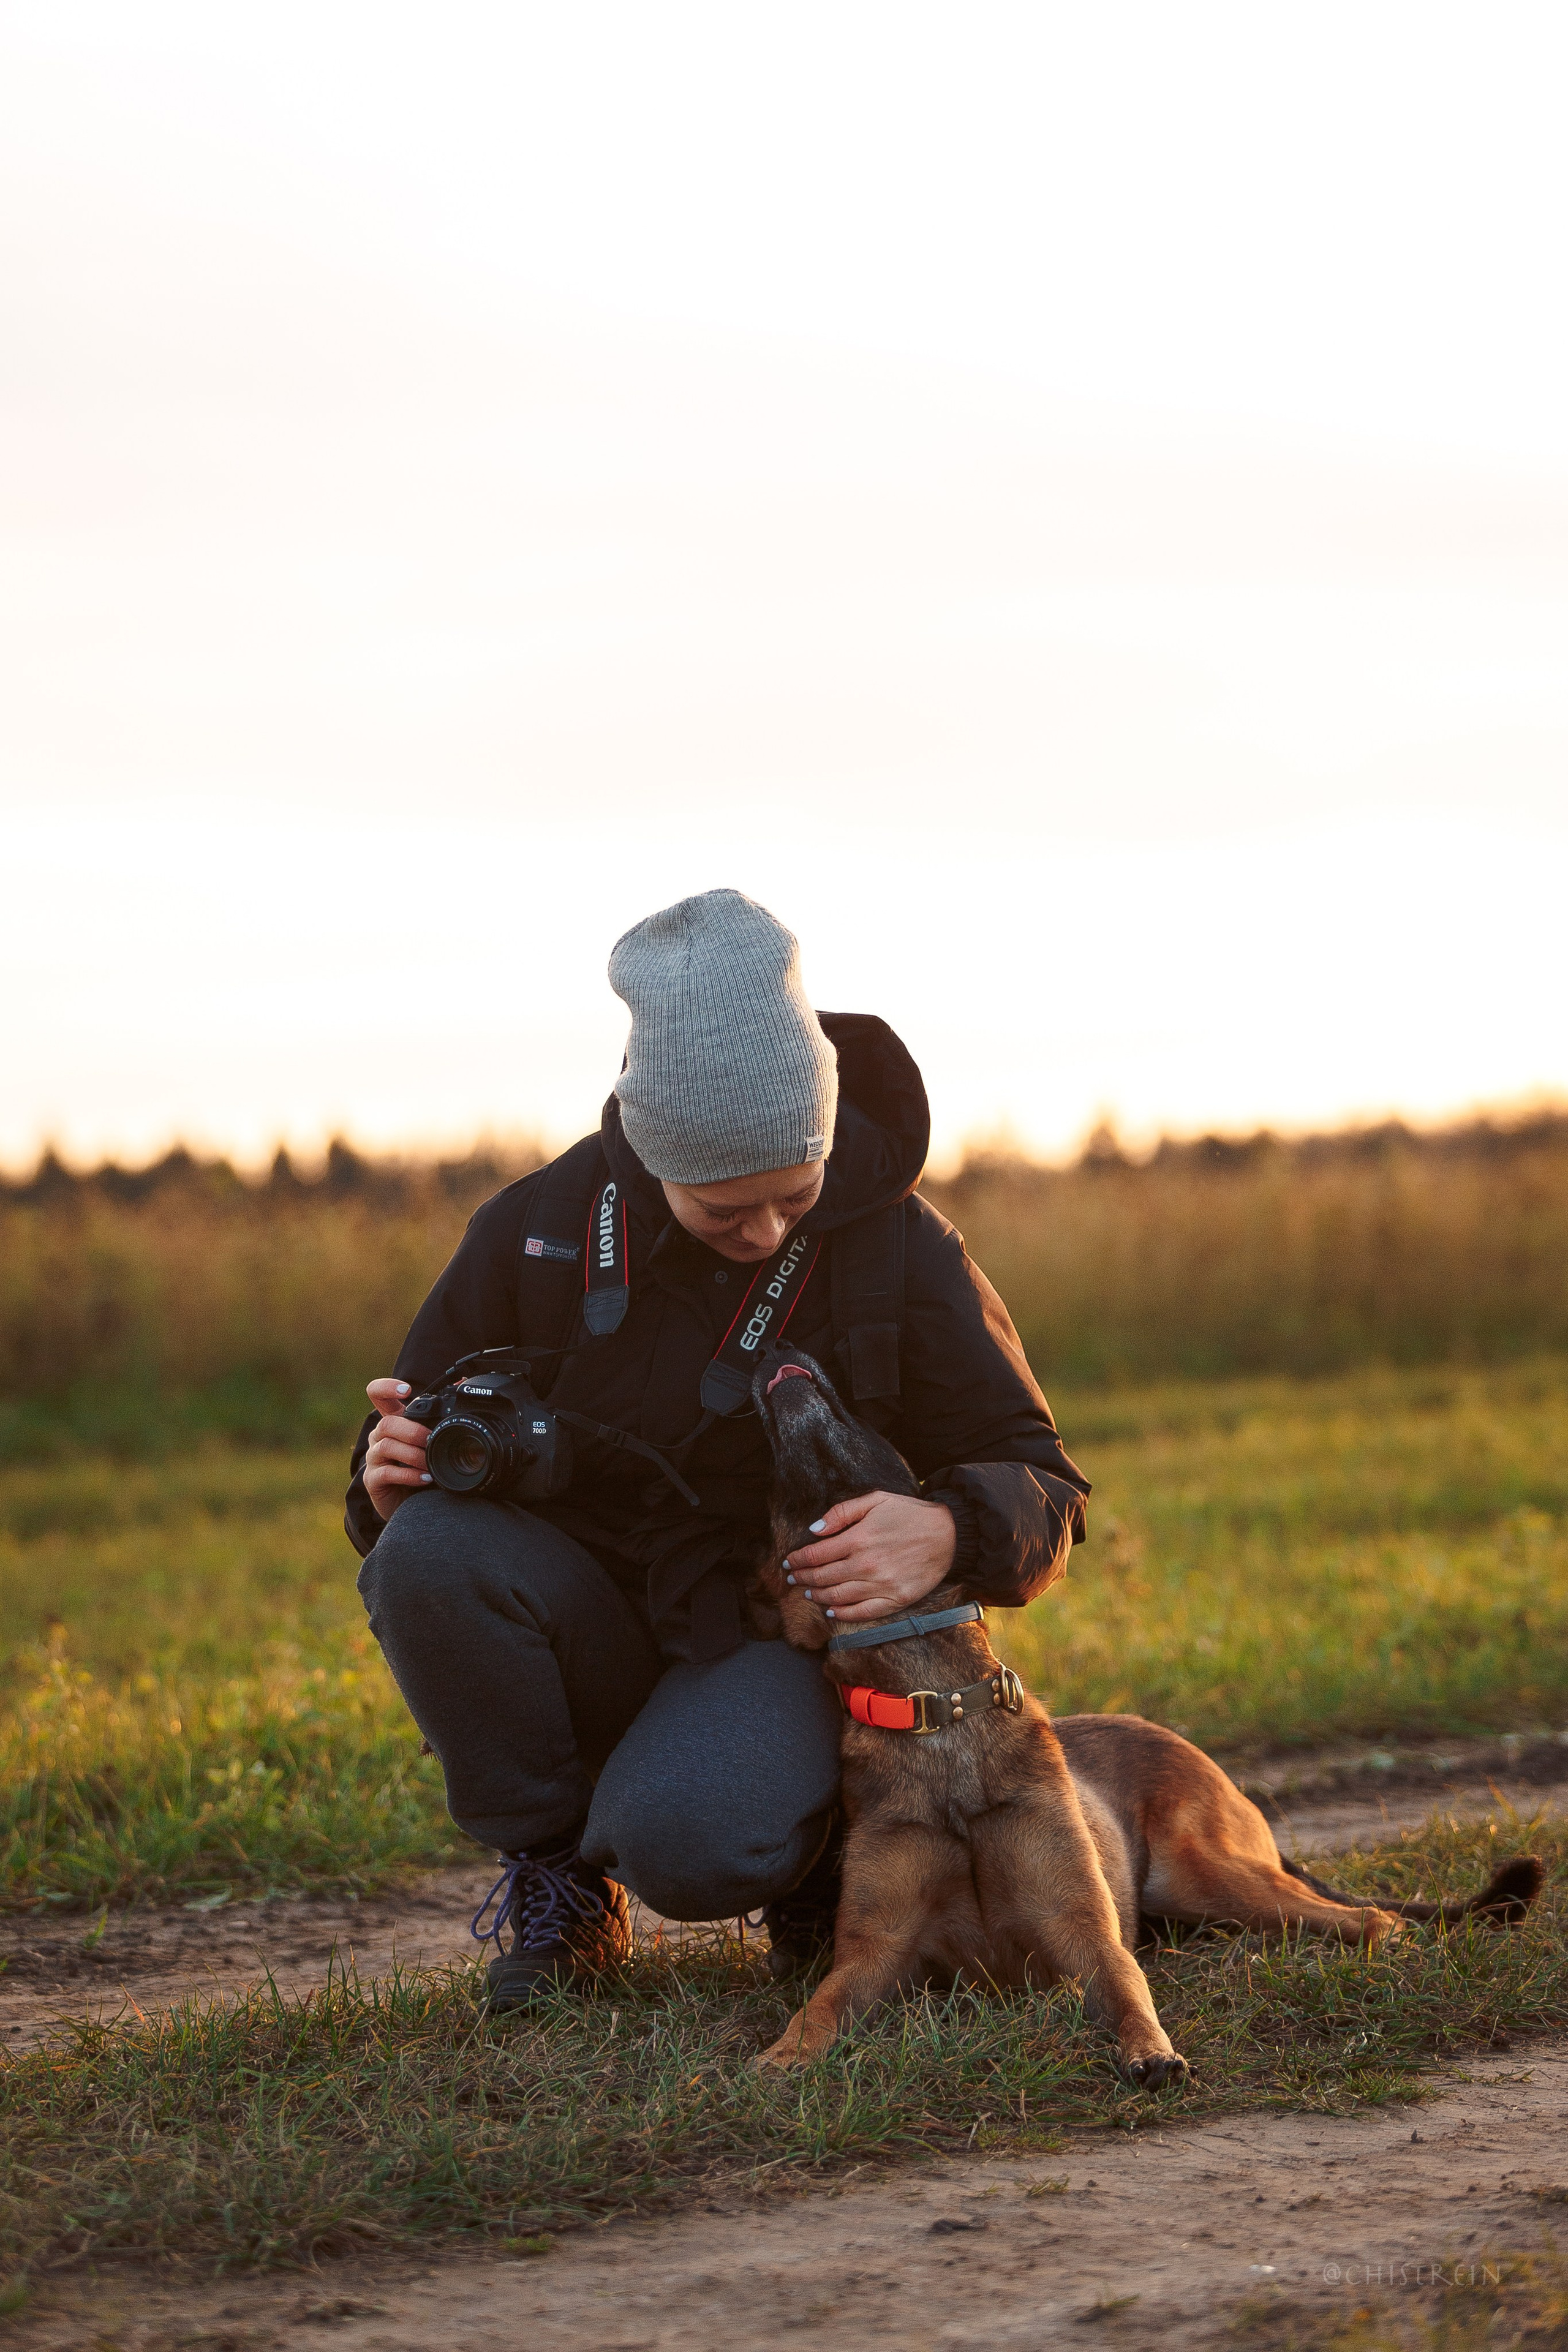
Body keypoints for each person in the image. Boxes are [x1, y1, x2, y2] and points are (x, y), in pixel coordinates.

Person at [347, 889, 1089, 2010]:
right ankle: (559, 1885)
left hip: (773, 1646)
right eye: (722, 1211)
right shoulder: (535, 1231)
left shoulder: (900, 1243)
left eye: (796, 1196)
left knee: (693, 1850)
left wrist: (943, 1526)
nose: (768, 1234)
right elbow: (416, 1446)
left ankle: (804, 1848)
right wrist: (384, 1472)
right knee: (425, 1554)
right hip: (585, 1614)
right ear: (651, 1153)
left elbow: (1046, 1482)